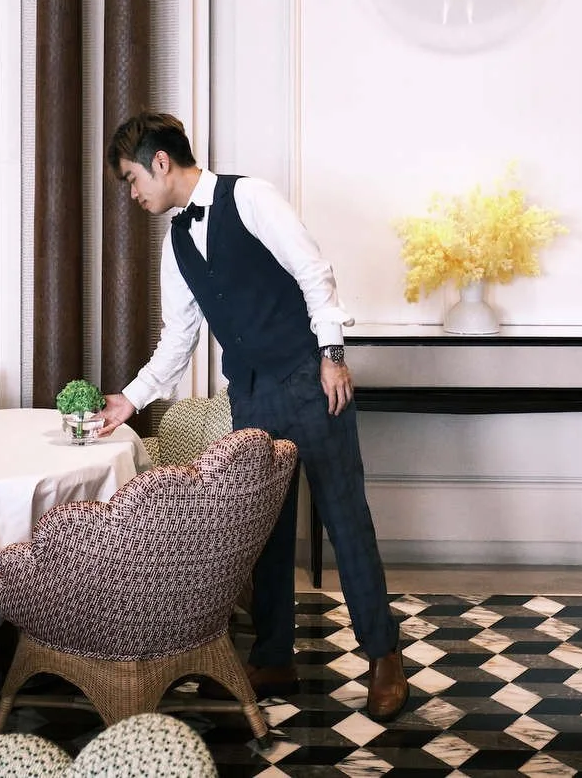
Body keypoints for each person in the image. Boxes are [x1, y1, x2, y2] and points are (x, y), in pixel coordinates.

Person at [93, 112, 410, 723]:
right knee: (261, 530)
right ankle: (272, 658)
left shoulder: (251, 196)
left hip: (309, 380)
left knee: (346, 520)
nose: (133, 194)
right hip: (251, 394)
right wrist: (130, 399)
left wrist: (333, 356)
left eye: (133, 179)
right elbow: (179, 337)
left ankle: (383, 656)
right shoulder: (177, 239)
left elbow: (315, 273)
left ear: (161, 163)